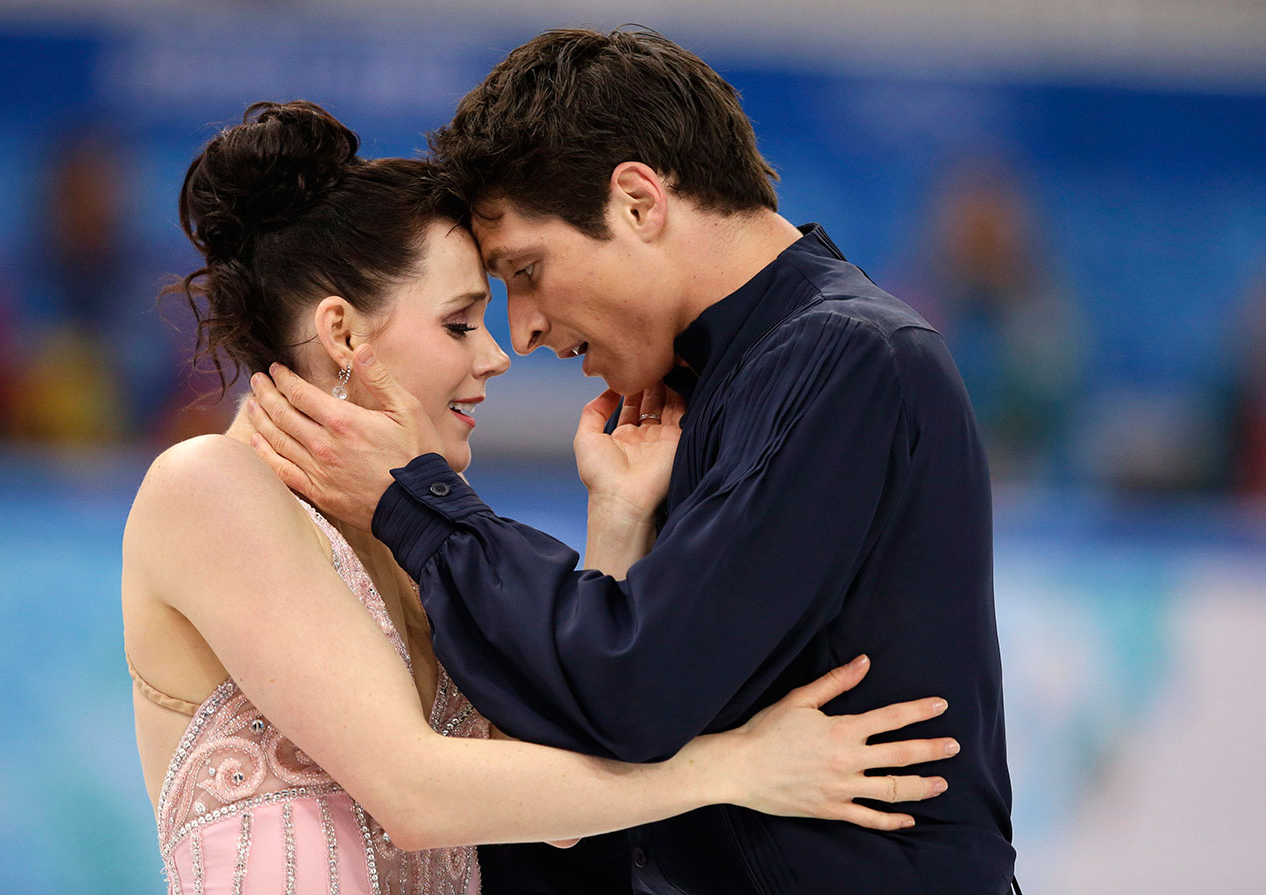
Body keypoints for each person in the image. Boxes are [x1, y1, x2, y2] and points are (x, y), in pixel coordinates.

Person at [248, 29, 1017, 895]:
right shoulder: (728, 377)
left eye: (526, 271)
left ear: (639, 203)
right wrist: (614, 524)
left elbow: (637, 688)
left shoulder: (849, 359)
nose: (526, 331)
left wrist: (422, 508)